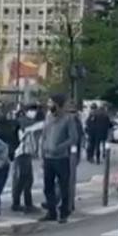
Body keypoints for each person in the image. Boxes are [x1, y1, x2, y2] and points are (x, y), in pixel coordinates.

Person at [39, 94, 77, 224]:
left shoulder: (68, 119)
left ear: (59, 105)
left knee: (63, 186)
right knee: (48, 186)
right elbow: (44, 135)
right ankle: (51, 212)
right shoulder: (48, 117)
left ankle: (64, 213)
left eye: (52, 103)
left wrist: (60, 147)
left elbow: (73, 138)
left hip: (61, 158)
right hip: (48, 157)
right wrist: (42, 152)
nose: (50, 106)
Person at [11, 108, 40, 213]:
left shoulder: (23, 122)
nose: (34, 113)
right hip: (23, 154)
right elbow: (33, 128)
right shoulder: (23, 123)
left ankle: (17, 203)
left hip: (24, 154)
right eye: (32, 110)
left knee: (23, 179)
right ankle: (27, 204)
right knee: (27, 180)